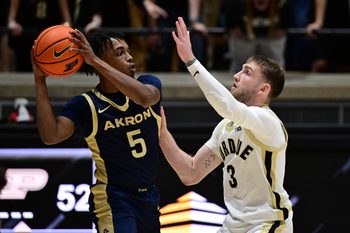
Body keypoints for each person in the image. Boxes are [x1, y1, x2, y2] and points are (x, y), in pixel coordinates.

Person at [159, 17, 293, 233]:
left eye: (247, 72)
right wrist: (162, 134)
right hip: (233, 226)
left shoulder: (268, 122)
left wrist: (191, 61)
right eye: (240, 70)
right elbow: (191, 173)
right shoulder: (226, 127)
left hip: (268, 223)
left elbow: (228, 107)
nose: (237, 76)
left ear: (263, 89)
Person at [32, 29, 162, 232]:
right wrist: (40, 81)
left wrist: (94, 60)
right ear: (99, 61)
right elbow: (51, 136)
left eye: (128, 51)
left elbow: (146, 98)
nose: (129, 57)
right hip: (114, 199)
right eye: (120, 53)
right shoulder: (86, 105)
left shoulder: (148, 83)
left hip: (149, 196)